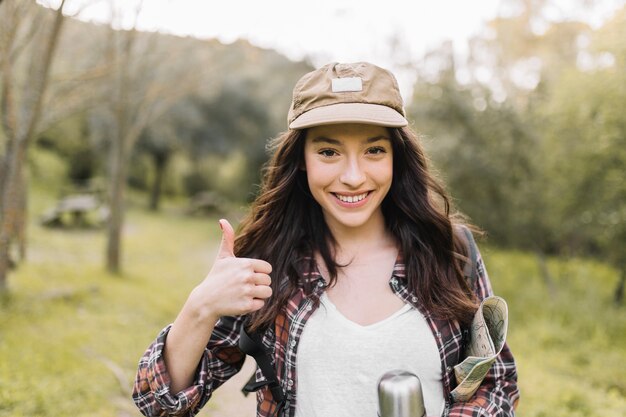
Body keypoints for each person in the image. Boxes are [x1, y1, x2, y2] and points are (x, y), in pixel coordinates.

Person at [132, 62, 519, 417]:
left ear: (396, 158)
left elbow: (495, 381)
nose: (353, 176)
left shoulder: (449, 251)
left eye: (373, 150)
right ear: (302, 159)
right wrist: (201, 306)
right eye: (329, 151)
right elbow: (159, 406)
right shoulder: (269, 263)